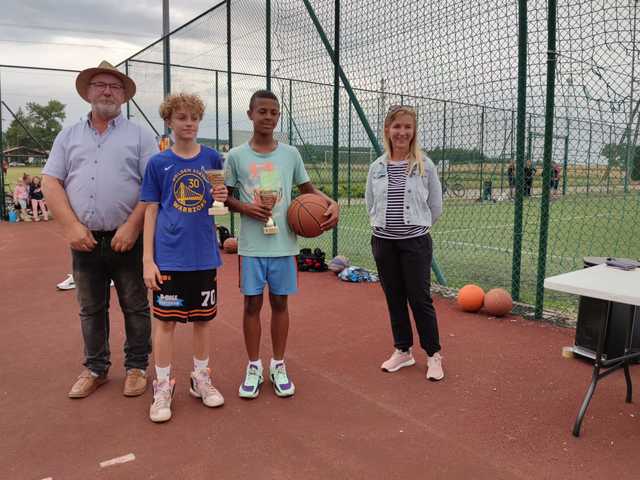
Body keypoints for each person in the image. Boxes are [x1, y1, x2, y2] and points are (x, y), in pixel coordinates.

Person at [42, 60, 158, 399]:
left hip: (128, 237)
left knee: (135, 305)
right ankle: (95, 367)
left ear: (123, 95)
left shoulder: (139, 135)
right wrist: (72, 227)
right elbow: (51, 182)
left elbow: (151, 186)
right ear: (88, 92)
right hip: (85, 238)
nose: (107, 91)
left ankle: (136, 367)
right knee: (90, 307)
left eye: (115, 86)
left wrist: (132, 226)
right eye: (100, 85)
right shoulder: (69, 135)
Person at [224, 90, 339, 399]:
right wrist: (246, 208)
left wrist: (333, 204)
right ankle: (253, 366)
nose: (268, 117)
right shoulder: (236, 156)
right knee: (251, 305)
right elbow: (226, 197)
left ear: (278, 117)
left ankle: (278, 364)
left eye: (274, 112)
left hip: (284, 245)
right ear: (250, 114)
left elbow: (308, 189)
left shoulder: (290, 154)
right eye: (262, 111)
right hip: (251, 245)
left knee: (280, 304)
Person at [141, 93, 227, 423]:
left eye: (193, 117)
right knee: (165, 323)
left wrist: (222, 196)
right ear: (169, 121)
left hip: (203, 254)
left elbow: (218, 201)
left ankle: (200, 378)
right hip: (170, 257)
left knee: (203, 320)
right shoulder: (158, 163)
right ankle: (163, 385)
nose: (188, 123)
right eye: (181, 117)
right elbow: (151, 211)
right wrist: (148, 260)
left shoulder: (212, 158)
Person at [365, 105, 444, 381]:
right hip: (384, 243)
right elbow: (371, 204)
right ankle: (403, 350)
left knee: (419, 299)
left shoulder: (425, 165)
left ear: (414, 131)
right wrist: (384, 229)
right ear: (387, 130)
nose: (402, 132)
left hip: (415, 244)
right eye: (396, 126)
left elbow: (435, 206)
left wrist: (416, 229)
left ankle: (433, 355)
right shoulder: (376, 167)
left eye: (407, 127)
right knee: (394, 298)